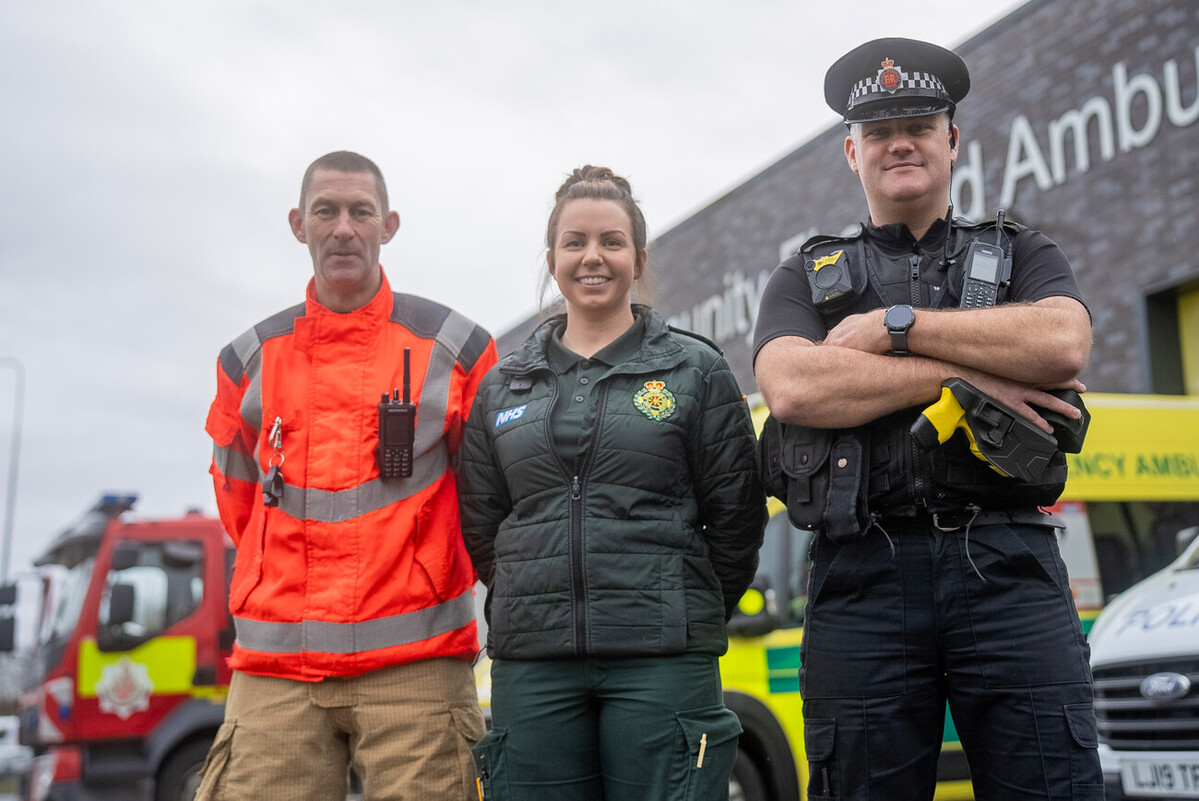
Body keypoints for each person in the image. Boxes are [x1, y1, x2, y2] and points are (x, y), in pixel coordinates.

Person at [753, 39, 1104, 801]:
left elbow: (1059, 341)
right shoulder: (801, 277)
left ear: (952, 138)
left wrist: (892, 326)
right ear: (852, 152)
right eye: (878, 131)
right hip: (860, 579)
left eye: (917, 123)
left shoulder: (1021, 252)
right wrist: (969, 371)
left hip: (1009, 566)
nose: (899, 142)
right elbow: (792, 388)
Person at [458, 166, 766, 801]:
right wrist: (538, 591)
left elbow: (736, 516)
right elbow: (483, 524)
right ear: (552, 258)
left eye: (611, 241)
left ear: (638, 257)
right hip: (534, 661)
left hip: (663, 661)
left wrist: (680, 604)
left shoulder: (694, 369)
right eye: (574, 242)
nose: (592, 256)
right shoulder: (503, 386)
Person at [199, 151, 497, 801]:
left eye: (360, 211)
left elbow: (490, 499)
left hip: (418, 666)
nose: (342, 227)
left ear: (388, 225)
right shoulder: (246, 360)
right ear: (296, 224)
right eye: (325, 211)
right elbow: (239, 506)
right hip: (277, 671)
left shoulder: (457, 348)